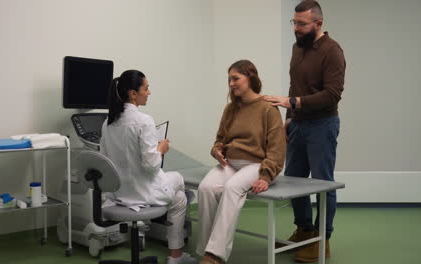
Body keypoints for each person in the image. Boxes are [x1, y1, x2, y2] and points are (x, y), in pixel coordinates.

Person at [264, 1, 346, 262]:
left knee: (323, 184)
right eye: (294, 23)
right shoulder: (297, 48)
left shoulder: (332, 52)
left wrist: (294, 103)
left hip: (323, 125)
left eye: (302, 24)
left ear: (318, 24)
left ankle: (324, 239)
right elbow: (294, 87)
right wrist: (289, 119)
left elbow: (333, 95)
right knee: (294, 179)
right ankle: (304, 230)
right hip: (298, 124)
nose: (296, 29)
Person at [100, 70, 197, 264]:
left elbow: (105, 160)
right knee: (179, 184)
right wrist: (161, 148)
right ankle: (175, 257)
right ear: (133, 94)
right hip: (142, 193)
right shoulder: (144, 121)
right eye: (146, 88)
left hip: (118, 194)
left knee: (178, 198)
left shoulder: (107, 123)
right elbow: (151, 165)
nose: (149, 92)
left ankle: (175, 254)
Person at [197, 60, 286, 264]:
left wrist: (266, 175)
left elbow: (277, 148)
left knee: (232, 188)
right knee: (206, 188)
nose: (231, 83)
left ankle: (214, 256)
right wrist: (216, 151)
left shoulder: (268, 109)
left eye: (235, 78)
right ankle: (205, 250)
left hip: (256, 165)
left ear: (250, 77)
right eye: (229, 79)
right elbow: (220, 140)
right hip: (230, 163)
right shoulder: (231, 109)